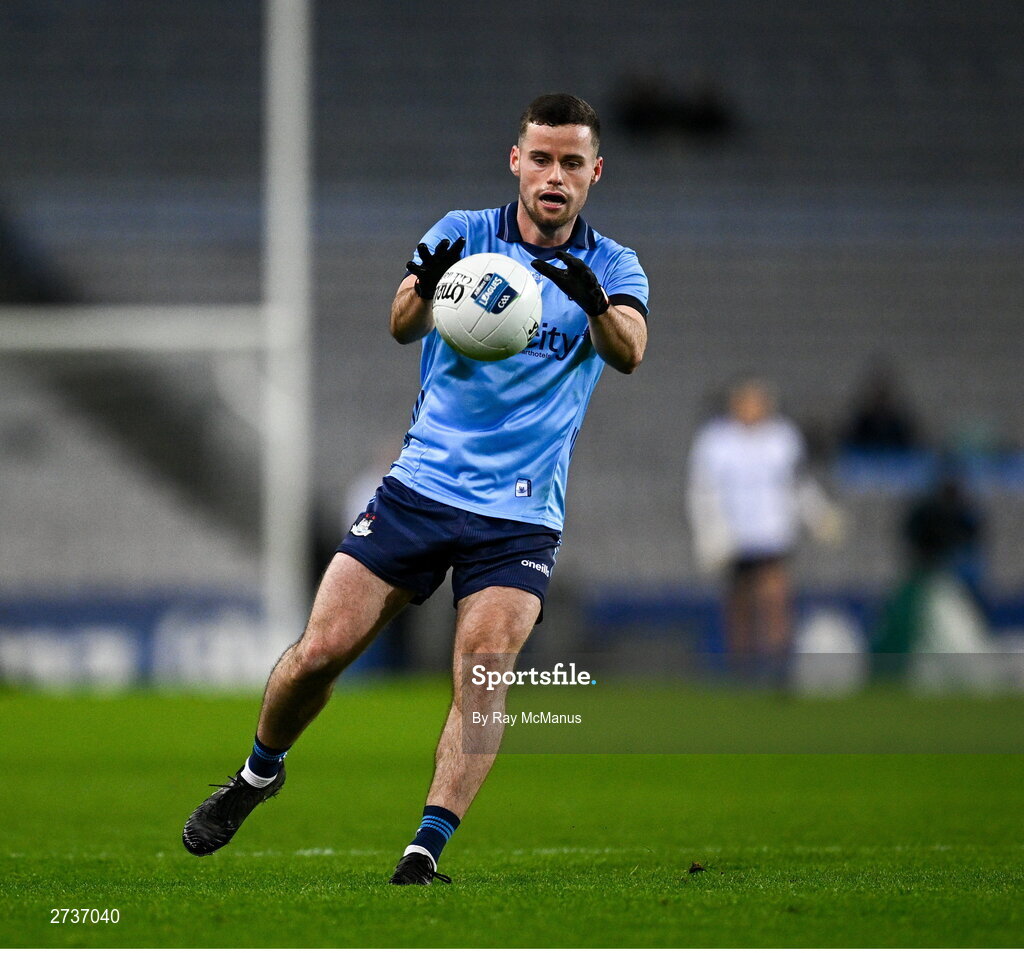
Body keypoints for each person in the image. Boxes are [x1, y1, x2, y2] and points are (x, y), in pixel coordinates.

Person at [181, 94, 649, 885]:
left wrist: (594, 303)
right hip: (419, 488)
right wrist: (428, 285)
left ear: (594, 172)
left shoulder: (614, 265)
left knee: (484, 665)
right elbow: (401, 324)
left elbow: (630, 350)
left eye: (572, 162)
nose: (555, 176)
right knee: (319, 652)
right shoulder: (462, 233)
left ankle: (423, 849)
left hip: (521, 511)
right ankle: (258, 773)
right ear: (516, 160)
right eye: (542, 158)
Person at [687, 378, 841, 680]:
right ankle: (742, 670)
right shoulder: (715, 440)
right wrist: (708, 536)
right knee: (739, 605)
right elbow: (701, 491)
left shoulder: (783, 437)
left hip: (772, 533)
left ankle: (777, 667)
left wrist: (819, 516)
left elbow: (798, 484)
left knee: (774, 599)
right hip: (734, 536)